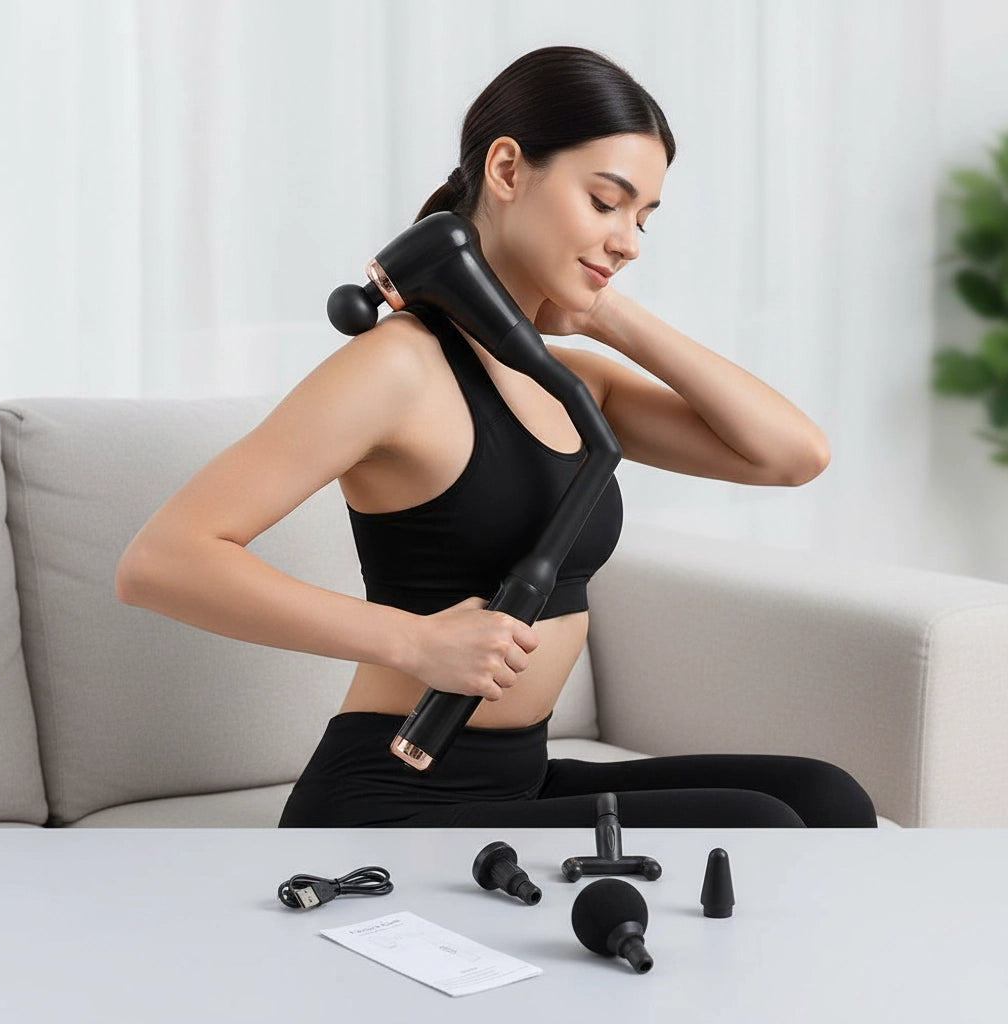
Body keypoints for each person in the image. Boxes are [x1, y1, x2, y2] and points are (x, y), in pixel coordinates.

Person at [115, 45, 877, 829]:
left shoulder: (575, 381)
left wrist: (607, 312)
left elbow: (790, 456)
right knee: (765, 829)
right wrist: (412, 643)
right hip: (395, 792)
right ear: (508, 170)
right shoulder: (398, 367)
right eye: (606, 203)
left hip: (515, 779)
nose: (630, 242)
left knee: (826, 798)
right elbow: (162, 561)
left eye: (643, 218)